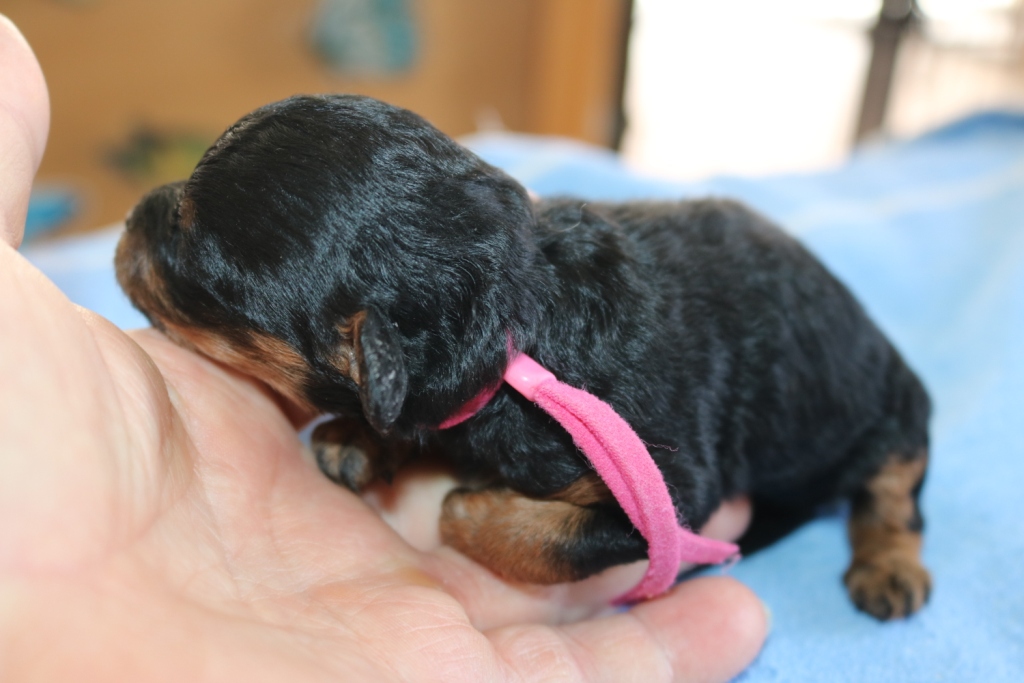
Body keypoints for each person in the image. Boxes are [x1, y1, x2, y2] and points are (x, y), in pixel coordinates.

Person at [0, 16, 766, 681]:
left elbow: (652, 507)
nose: (144, 221)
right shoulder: (435, 346)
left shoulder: (588, 408)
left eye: (204, 269)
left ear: (362, 362)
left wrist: (477, 525)